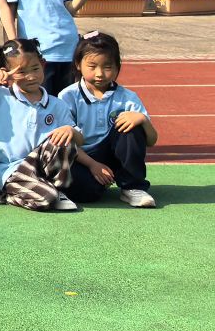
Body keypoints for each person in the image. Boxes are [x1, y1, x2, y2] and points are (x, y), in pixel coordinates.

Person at [0, 37, 82, 211]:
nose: (31, 76)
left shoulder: (57, 104)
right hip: (8, 170)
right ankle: (1, 192)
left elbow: (79, 140)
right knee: (45, 199)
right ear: (7, 73)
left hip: (41, 169)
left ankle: (56, 189)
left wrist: (70, 130)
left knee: (64, 137)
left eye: (35, 68)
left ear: (43, 64)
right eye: (21, 72)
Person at [58, 32, 158, 208]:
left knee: (132, 126)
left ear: (118, 66)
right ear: (78, 64)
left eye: (107, 67)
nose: (100, 74)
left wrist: (143, 120)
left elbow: (151, 140)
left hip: (114, 153)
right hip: (81, 157)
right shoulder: (68, 96)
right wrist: (93, 165)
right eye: (92, 66)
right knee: (86, 193)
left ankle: (132, 187)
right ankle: (98, 182)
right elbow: (66, 143)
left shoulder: (127, 97)